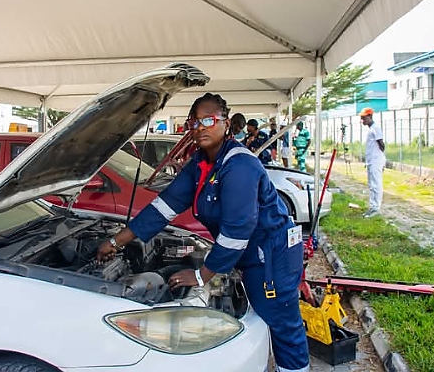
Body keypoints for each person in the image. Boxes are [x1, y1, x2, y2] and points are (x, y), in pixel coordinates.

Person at [97, 92, 310, 372]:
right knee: (264, 315)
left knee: (283, 323)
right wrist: (116, 241)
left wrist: (202, 275)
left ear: (226, 123)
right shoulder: (200, 163)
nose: (200, 127)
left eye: (209, 120)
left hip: (272, 255)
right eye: (194, 122)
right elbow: (165, 206)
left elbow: (237, 230)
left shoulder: (239, 165)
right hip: (253, 253)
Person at [360, 107, 385, 218]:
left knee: (376, 184)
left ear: (369, 116)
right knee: (371, 184)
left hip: (376, 160)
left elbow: (381, 144)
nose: (363, 121)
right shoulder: (371, 129)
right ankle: (372, 206)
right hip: (371, 160)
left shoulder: (376, 128)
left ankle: (376, 207)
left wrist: (378, 157)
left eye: (364, 118)